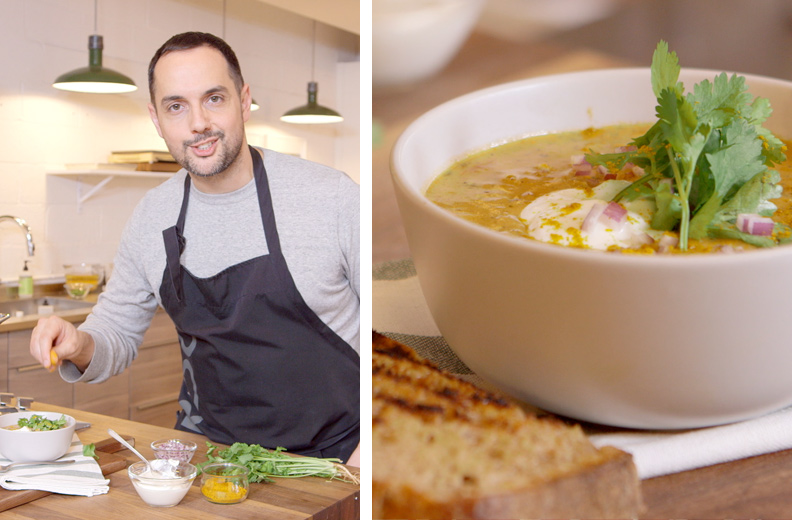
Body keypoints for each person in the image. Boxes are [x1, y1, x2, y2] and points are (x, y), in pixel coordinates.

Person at [29, 32, 360, 466]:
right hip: (208, 459)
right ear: (156, 118)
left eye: (214, 99)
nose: (198, 123)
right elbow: (116, 334)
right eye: (176, 106)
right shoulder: (152, 216)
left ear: (243, 101)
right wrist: (78, 344)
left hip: (333, 460)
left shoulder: (329, 197)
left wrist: (368, 451)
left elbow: (390, 331)